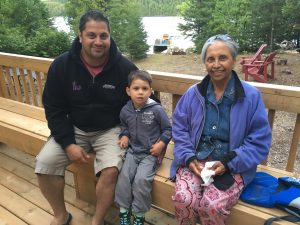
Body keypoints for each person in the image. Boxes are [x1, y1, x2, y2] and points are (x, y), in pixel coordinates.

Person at [35, 10, 139, 225]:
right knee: (44, 165)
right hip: (73, 127)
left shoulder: (125, 68)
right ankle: (61, 215)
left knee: (110, 172)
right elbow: (53, 108)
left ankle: (97, 220)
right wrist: (68, 143)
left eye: (104, 36)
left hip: (111, 129)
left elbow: (144, 101)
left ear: (110, 36)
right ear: (80, 36)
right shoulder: (62, 66)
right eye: (91, 35)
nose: (98, 41)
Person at [170, 34, 272, 225]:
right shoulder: (194, 94)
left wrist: (228, 162)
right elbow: (180, 128)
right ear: (205, 63)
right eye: (210, 59)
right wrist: (188, 157)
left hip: (233, 163)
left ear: (233, 60)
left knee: (212, 205)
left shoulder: (250, 96)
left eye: (222, 58)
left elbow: (259, 141)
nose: (216, 64)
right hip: (196, 161)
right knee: (184, 199)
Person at [114, 70, 172, 225]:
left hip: (150, 154)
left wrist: (161, 144)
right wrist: (125, 135)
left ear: (150, 91)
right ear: (128, 91)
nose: (140, 92)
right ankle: (124, 212)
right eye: (136, 88)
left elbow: (168, 129)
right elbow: (124, 125)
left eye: (144, 88)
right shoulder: (125, 110)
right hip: (132, 152)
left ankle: (139, 214)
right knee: (124, 178)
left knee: (141, 180)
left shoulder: (156, 110)